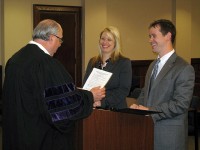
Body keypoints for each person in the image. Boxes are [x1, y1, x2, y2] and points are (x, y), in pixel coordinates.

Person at [2, 19, 105, 150]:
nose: (60, 45)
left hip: (17, 134)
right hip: (40, 137)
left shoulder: (15, 59)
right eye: (60, 40)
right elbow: (63, 106)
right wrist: (90, 96)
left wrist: (75, 91)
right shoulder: (47, 64)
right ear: (51, 38)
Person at [130, 19, 195, 150]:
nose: (150, 40)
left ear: (168, 36)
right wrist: (138, 106)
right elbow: (145, 92)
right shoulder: (153, 65)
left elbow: (180, 104)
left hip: (169, 136)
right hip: (147, 132)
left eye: (154, 36)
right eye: (149, 36)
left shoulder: (184, 68)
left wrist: (150, 111)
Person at [83, 26, 132, 110]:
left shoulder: (123, 62)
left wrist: (102, 102)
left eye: (109, 40)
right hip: (93, 109)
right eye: (102, 39)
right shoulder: (92, 61)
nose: (105, 42)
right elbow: (86, 86)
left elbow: (123, 90)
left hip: (115, 111)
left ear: (115, 43)